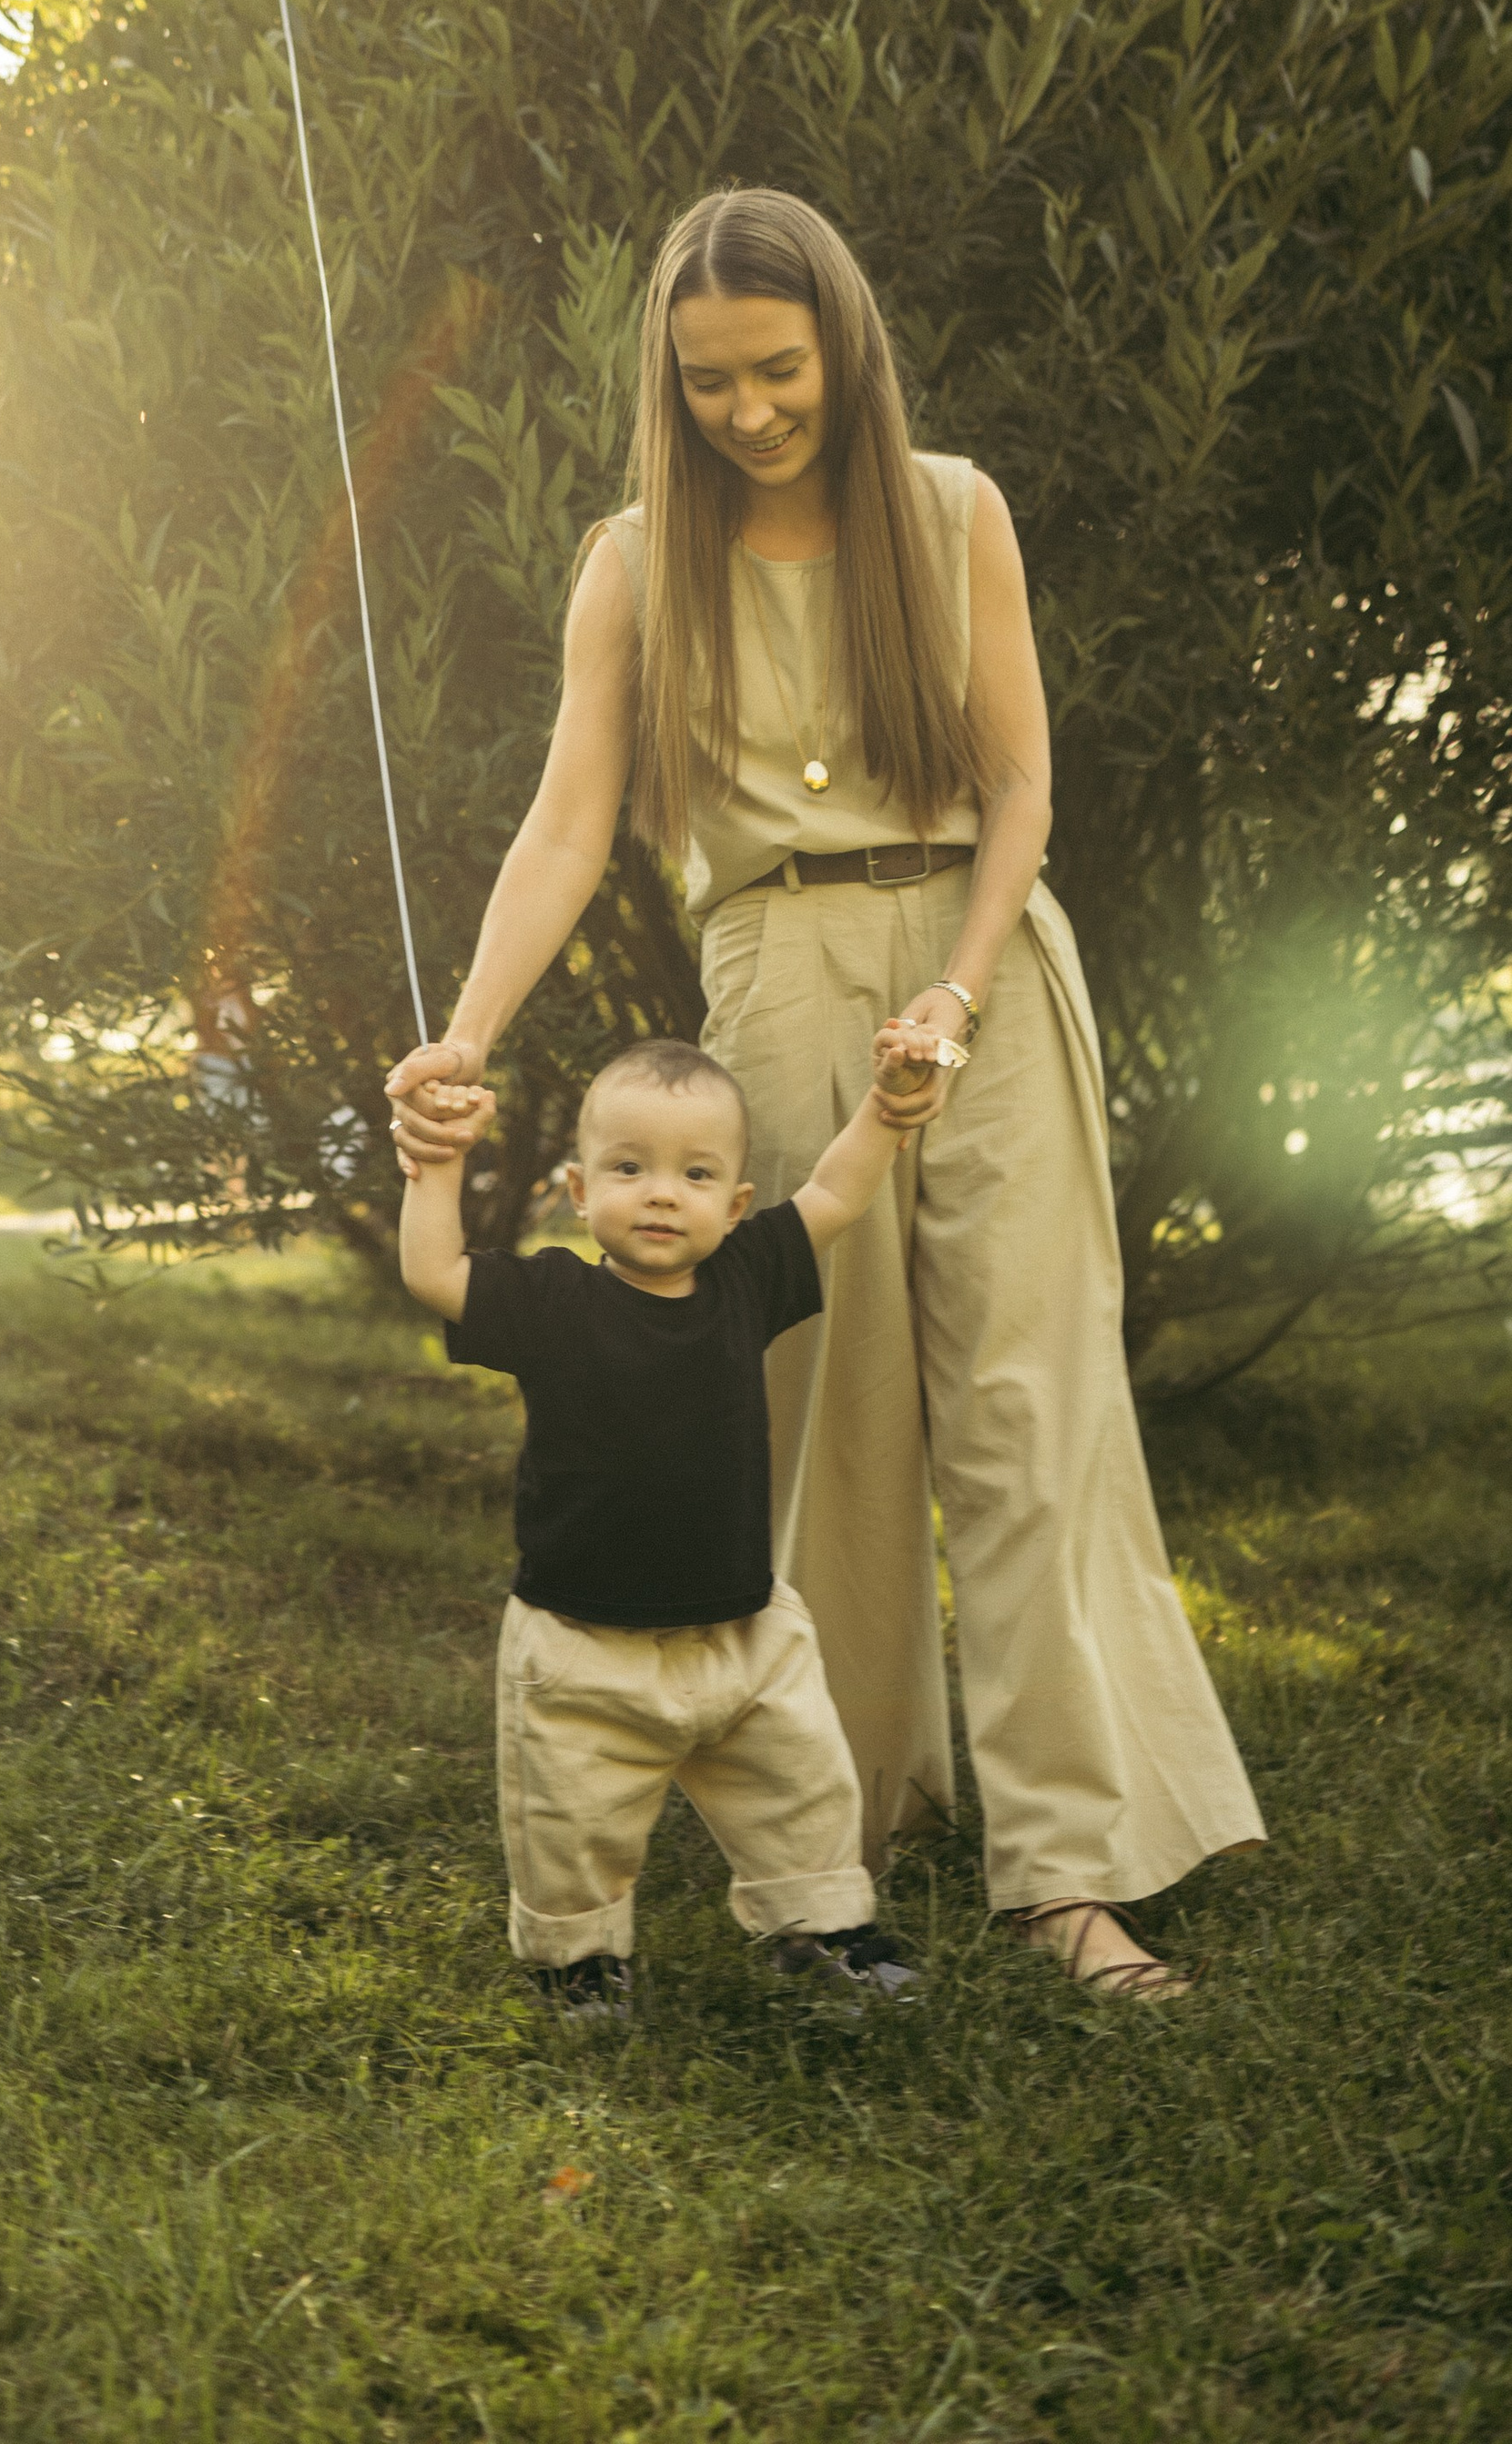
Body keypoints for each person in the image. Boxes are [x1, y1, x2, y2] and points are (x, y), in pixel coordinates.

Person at [389, 187, 1263, 2003]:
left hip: (981, 957)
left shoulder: (950, 514)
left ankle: (1070, 1870)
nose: (748, 411)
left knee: (1029, 1409)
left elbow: (1020, 787)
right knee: (817, 1394)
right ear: (668, 382)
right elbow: (568, 818)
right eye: (707, 383)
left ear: (840, 347)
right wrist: (462, 1035)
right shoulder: (632, 561)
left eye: (776, 370)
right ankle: (836, 1825)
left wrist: (952, 988)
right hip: (772, 972)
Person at [401, 1028, 942, 2021]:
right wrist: (438, 1159)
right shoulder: (554, 1300)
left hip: (742, 1631)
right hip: (582, 1642)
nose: (661, 1192)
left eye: (695, 1174)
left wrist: (885, 1107)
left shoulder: (744, 1280)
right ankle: (580, 1961)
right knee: (572, 1819)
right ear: (576, 1188)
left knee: (802, 1787)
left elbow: (832, 1194)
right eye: (629, 1166)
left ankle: (821, 1931)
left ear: (735, 1206)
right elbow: (435, 1273)